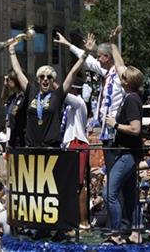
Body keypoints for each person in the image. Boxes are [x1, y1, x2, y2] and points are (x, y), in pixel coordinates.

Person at [55, 30, 125, 173]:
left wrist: (113, 44)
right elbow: (89, 61)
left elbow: (121, 65)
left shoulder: (119, 76)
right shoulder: (106, 73)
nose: (97, 59)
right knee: (111, 173)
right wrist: (68, 44)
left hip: (116, 133)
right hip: (107, 134)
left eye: (100, 56)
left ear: (107, 57)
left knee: (115, 177)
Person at [9, 33, 94, 148]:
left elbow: (73, 73)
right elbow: (18, 72)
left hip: (51, 148)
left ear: (52, 80)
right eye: (42, 76)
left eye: (49, 77)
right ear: (38, 80)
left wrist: (86, 53)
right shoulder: (31, 92)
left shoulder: (57, 95)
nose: (45, 79)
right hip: (31, 147)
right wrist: (12, 51)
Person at [103, 31, 144, 244]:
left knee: (109, 192)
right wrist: (112, 44)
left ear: (127, 81)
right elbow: (120, 65)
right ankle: (136, 230)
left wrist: (115, 124)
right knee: (129, 193)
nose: (120, 75)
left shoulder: (131, 101)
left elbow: (136, 129)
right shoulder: (131, 94)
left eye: (123, 75)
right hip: (126, 152)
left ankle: (116, 233)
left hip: (128, 153)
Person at [61, 80, 90, 230]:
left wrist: (53, 83)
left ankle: (83, 221)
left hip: (77, 143)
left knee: (78, 184)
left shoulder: (78, 102)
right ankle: (74, 219)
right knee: (71, 184)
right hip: (69, 143)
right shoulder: (71, 106)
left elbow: (62, 94)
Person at [1, 69, 27, 148]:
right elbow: (3, 98)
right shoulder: (13, 98)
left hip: (22, 139)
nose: (7, 81)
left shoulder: (24, 96)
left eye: (8, 79)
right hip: (13, 138)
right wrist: (5, 85)